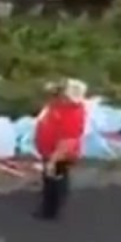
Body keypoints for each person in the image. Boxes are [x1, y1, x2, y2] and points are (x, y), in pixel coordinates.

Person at [33, 79, 88, 221]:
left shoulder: (73, 115)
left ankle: (50, 210)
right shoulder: (58, 103)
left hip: (61, 155)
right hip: (48, 150)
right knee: (52, 177)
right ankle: (53, 201)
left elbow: (67, 142)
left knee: (54, 179)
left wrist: (54, 159)